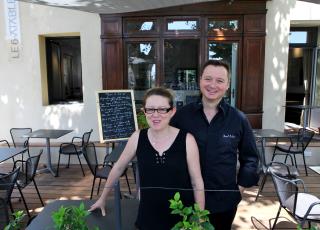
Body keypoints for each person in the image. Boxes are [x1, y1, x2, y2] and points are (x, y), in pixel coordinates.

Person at [89, 87, 205, 230]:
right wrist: (102, 198)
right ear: (144, 111)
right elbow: (118, 168)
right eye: (150, 109)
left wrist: (199, 218)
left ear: (172, 111)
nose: (155, 115)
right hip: (148, 215)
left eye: (162, 109)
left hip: (182, 218)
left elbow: (197, 182)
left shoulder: (187, 140)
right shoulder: (138, 137)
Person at [170, 60, 259, 230]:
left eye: (220, 81)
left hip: (224, 201)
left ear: (227, 85)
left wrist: (239, 189)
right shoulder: (182, 116)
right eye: (208, 79)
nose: (213, 85)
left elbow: (251, 158)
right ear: (200, 80)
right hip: (186, 200)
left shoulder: (238, 119)